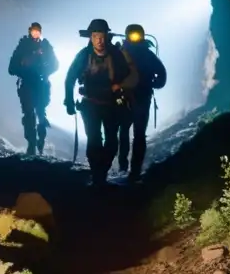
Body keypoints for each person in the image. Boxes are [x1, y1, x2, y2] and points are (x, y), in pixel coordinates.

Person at [64, 18, 139, 186]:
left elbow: (130, 75)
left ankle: (102, 172)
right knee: (94, 140)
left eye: (102, 35)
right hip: (90, 104)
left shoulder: (116, 55)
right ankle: (98, 175)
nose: (100, 40)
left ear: (107, 36)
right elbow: (70, 79)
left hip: (112, 105)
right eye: (96, 36)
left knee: (112, 141)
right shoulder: (84, 56)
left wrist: (121, 87)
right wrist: (68, 101)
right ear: (90, 37)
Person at [118, 23, 167, 182]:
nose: (135, 37)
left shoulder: (147, 55)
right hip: (124, 97)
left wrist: (152, 84)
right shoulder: (120, 54)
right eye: (132, 34)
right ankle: (123, 165)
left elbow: (161, 74)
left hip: (142, 97)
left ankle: (134, 170)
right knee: (124, 131)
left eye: (137, 34)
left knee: (138, 134)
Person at [8, 22, 59, 155]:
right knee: (29, 114)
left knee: (41, 113)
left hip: (41, 85)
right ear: (30, 32)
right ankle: (31, 143)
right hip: (27, 84)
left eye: (38, 31)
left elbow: (55, 64)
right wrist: (23, 68)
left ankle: (40, 142)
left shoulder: (46, 46)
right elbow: (12, 67)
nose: (35, 34)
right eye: (33, 31)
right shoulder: (23, 46)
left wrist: (45, 72)